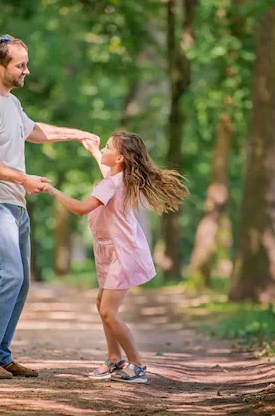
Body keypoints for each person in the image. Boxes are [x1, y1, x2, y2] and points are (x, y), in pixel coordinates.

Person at [0, 34, 99, 379]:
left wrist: (77, 134)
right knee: (9, 275)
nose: (27, 70)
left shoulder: (10, 103)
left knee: (20, 282)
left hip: (16, 205)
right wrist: (23, 179)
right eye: (20, 65)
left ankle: (0, 354)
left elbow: (35, 131)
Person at [42, 132, 189, 383]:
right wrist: (94, 152)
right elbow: (107, 173)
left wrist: (50, 189)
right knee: (102, 306)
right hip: (114, 251)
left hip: (123, 253)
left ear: (120, 158)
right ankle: (114, 358)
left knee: (109, 312)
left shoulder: (113, 183)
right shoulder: (119, 178)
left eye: (108, 147)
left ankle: (137, 364)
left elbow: (79, 208)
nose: (105, 149)